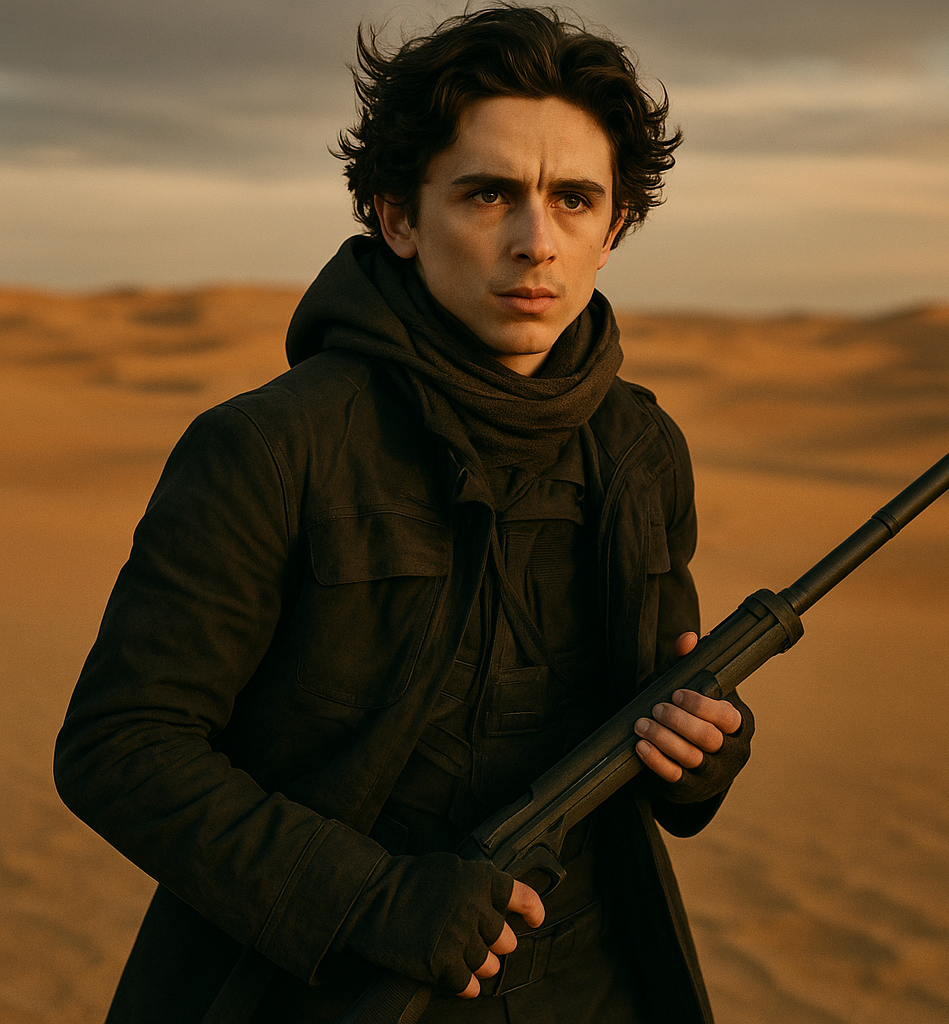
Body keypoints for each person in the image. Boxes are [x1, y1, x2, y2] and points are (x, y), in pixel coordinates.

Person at [54, 6, 754, 1023]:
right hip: (316, 988)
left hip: (597, 986)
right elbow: (123, 747)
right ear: (397, 216)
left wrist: (702, 756)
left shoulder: (641, 449)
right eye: (487, 194)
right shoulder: (271, 446)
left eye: (572, 200)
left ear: (613, 231)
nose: (534, 241)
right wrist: (375, 901)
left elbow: (649, 721)